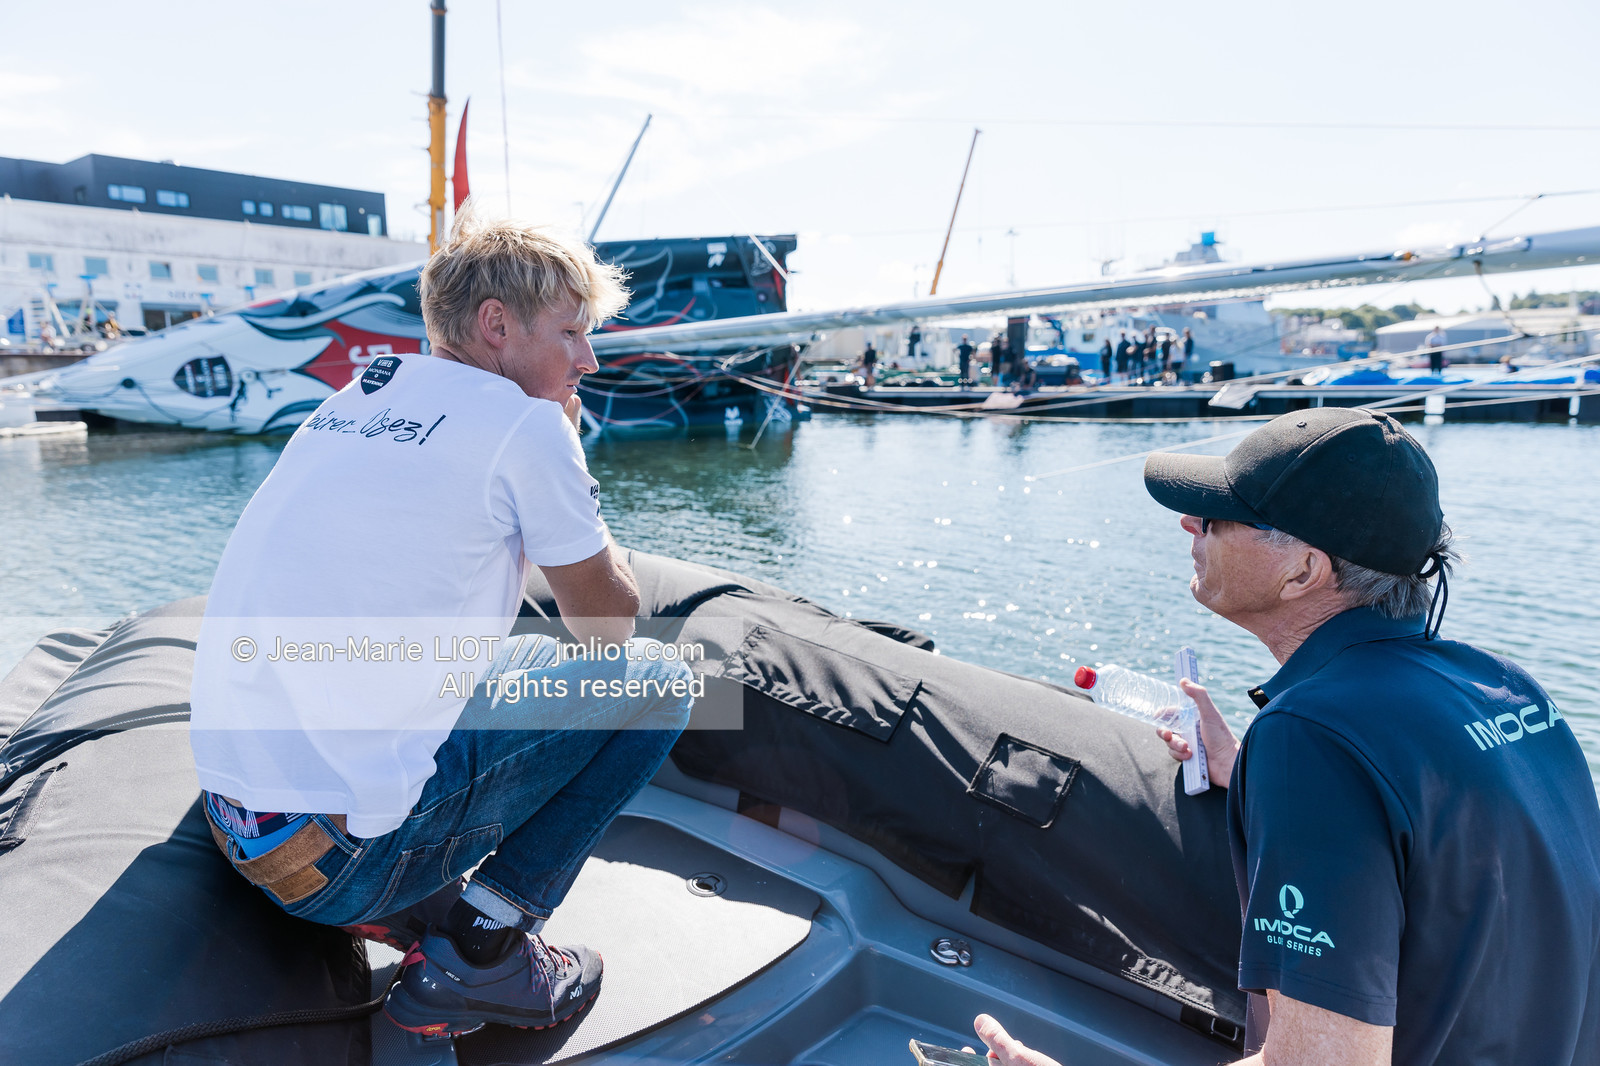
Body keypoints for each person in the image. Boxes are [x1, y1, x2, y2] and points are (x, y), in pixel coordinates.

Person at [190, 203, 696, 1038]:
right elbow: (608, 628)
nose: (589, 358)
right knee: (664, 683)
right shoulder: (526, 425)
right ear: (497, 324)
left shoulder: (360, 397)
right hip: (339, 866)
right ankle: (486, 947)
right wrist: (572, 458)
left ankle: (414, 894)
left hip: (239, 823)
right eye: (571, 332)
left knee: (512, 663)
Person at [974, 408, 1600, 1065]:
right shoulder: (1512, 688)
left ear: (1303, 572)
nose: (1191, 525)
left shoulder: (1313, 739)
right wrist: (1251, 768)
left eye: (1219, 517)